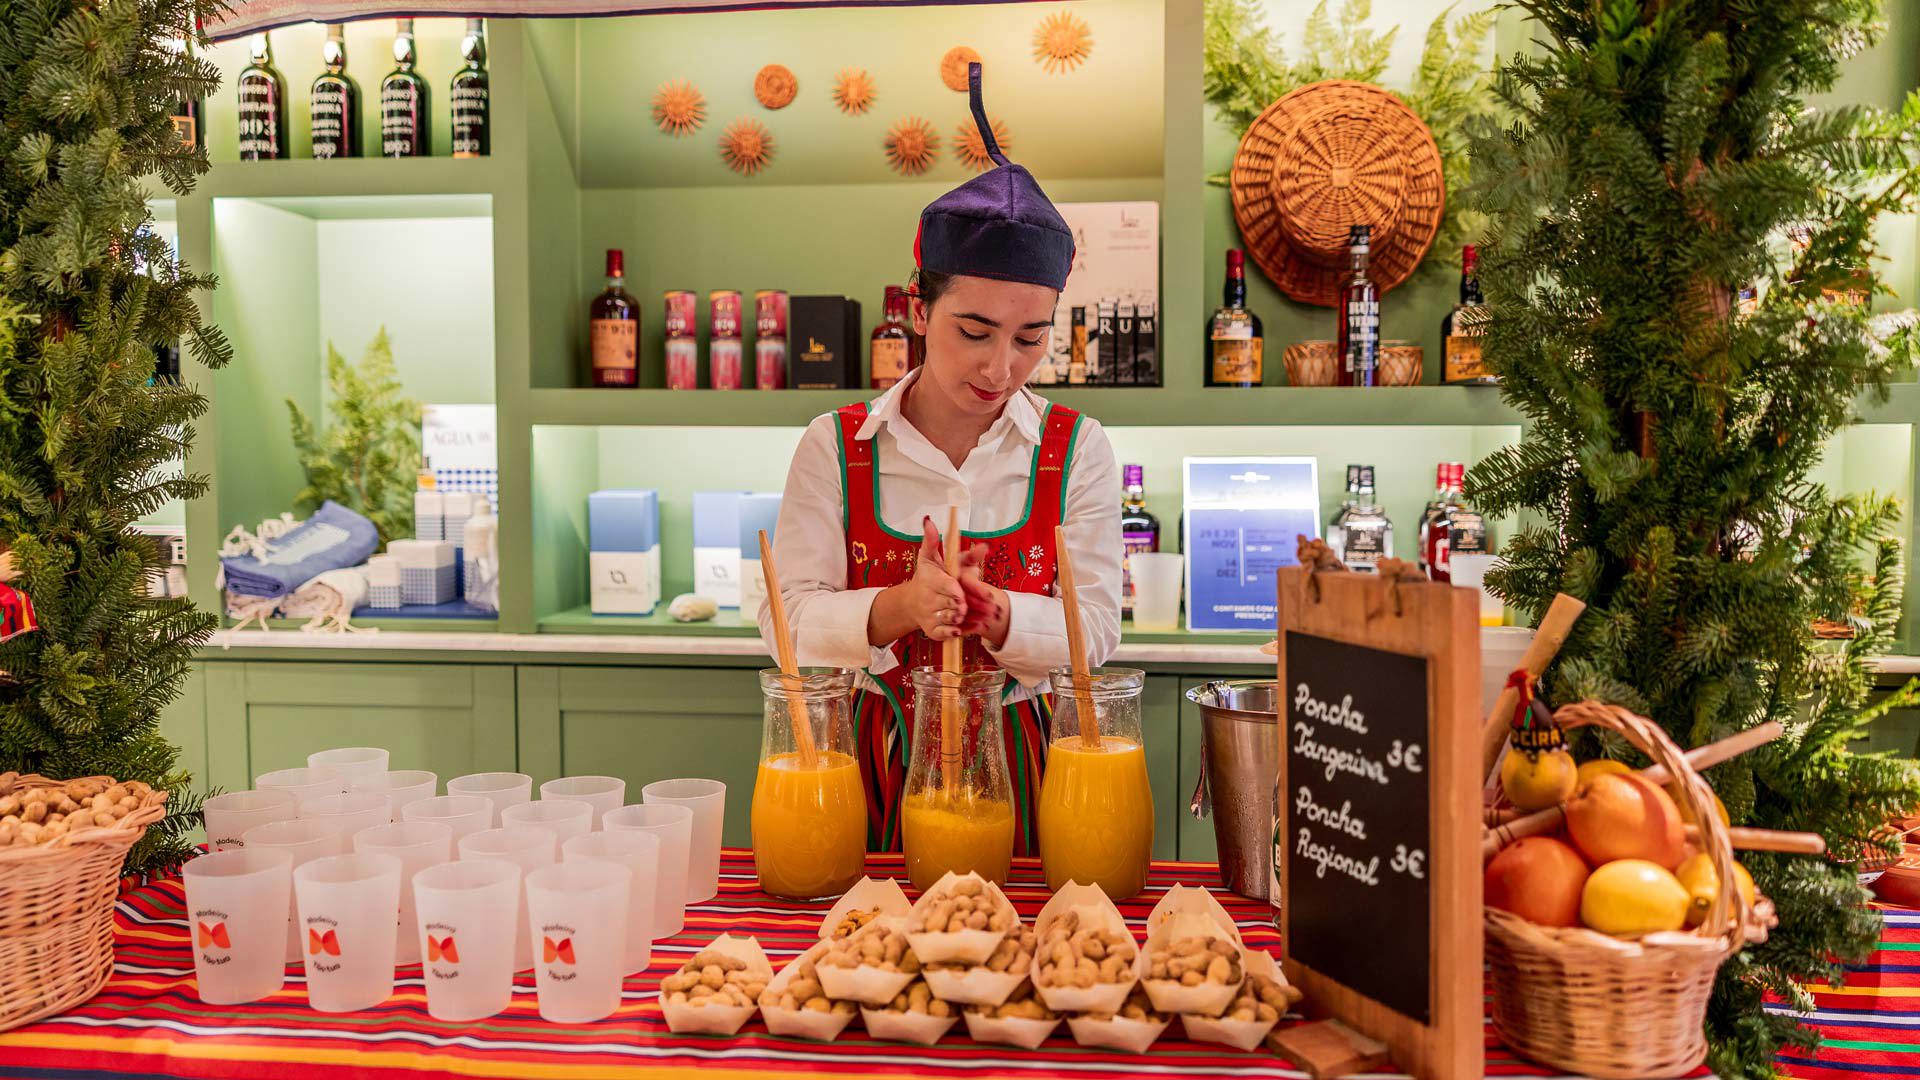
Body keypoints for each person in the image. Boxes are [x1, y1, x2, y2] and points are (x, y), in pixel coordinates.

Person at [760, 64, 1121, 855]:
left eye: (1031, 338)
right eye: (974, 330)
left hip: (1026, 767)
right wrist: (900, 606)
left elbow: (1096, 629)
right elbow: (785, 620)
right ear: (919, 310)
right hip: (867, 765)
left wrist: (999, 617)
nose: (1000, 366)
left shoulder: (1077, 449)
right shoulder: (836, 445)